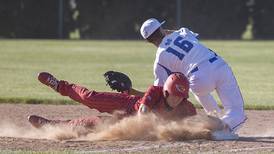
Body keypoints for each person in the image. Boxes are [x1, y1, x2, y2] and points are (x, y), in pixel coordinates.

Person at [134, 18, 247, 136]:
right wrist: (165, 32)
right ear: (162, 29)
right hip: (220, 66)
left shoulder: (159, 60)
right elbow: (185, 34)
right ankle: (223, 128)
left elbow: (159, 91)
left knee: (201, 93)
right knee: (236, 111)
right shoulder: (181, 33)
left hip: (198, 79)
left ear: (148, 41)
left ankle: (216, 123)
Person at [28, 72, 196, 130]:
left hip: (128, 122)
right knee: (90, 98)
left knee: (93, 124)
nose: (177, 99)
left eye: (181, 96)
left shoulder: (186, 107)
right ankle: (59, 85)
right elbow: (143, 111)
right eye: (174, 94)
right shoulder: (155, 91)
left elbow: (199, 121)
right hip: (127, 105)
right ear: (166, 91)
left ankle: (51, 125)